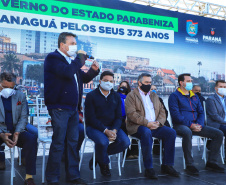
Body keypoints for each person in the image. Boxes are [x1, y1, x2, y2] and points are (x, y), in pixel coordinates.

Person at [44, 32, 99, 185]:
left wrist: (93, 70)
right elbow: (67, 72)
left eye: (76, 43)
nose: (76, 46)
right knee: (58, 143)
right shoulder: (53, 58)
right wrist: (80, 59)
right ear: (62, 45)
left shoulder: (70, 61)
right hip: (59, 108)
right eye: (73, 43)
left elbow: (83, 78)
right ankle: (53, 178)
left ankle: (73, 176)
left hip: (73, 109)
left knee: (73, 143)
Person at [125, 73, 179, 179]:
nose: (149, 84)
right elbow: (131, 114)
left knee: (171, 132)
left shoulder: (154, 95)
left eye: (150, 82)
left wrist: (158, 122)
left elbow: (162, 111)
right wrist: (147, 123)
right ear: (139, 83)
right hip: (138, 126)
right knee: (146, 132)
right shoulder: (131, 95)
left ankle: (167, 165)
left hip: (155, 125)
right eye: (146, 82)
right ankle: (149, 168)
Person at [168, 73, 224, 175]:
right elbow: (176, 116)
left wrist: (199, 124)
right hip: (180, 126)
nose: (191, 83)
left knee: (218, 134)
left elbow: (201, 112)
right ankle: (190, 165)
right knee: (187, 132)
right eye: (188, 81)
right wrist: (190, 125)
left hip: (197, 125)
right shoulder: (174, 96)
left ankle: (212, 162)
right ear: (181, 82)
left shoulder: (194, 96)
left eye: (191, 81)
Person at [85, 71, 130, 177]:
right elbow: (90, 118)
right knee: (103, 141)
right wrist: (105, 130)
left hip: (112, 127)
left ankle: (98, 155)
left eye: (111, 81)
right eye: (106, 81)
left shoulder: (116, 97)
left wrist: (114, 130)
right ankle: (104, 164)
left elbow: (119, 117)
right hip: (94, 127)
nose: (108, 83)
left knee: (125, 142)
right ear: (100, 81)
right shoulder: (91, 96)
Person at [0, 72, 38, 185]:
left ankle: (29, 177)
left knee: (31, 139)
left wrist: (17, 132)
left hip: (15, 130)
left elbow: (23, 117)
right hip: (1, 131)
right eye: (5, 87)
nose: (8, 90)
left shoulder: (20, 96)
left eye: (11, 87)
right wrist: (1, 134)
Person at [206, 80, 226, 163]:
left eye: (224, 87)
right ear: (216, 88)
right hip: (216, 124)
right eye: (221, 87)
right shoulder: (211, 99)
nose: (223, 89)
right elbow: (214, 116)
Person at [117, 81, 138, 159]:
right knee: (124, 127)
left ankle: (135, 151)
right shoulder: (116, 97)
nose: (123, 87)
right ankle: (126, 152)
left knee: (136, 127)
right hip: (120, 119)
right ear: (119, 87)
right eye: (122, 86)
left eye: (125, 86)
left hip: (129, 119)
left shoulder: (130, 98)